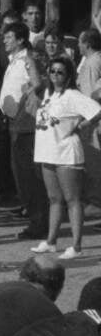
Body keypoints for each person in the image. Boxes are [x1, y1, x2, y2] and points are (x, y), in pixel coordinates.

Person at [33, 55, 101, 257]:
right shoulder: (49, 94)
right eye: (52, 71)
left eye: (60, 72)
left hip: (67, 152)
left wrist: (82, 125)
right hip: (48, 152)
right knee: (54, 199)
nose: (55, 76)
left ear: (68, 75)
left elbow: (97, 110)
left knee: (73, 199)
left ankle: (77, 246)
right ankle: (51, 241)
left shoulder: (73, 95)